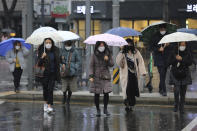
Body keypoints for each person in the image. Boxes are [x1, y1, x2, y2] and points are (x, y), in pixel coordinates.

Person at [116, 38, 146, 112]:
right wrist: (121, 51)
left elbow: (141, 61)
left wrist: (143, 71)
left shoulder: (136, 52)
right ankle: (127, 104)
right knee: (127, 89)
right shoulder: (122, 52)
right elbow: (118, 62)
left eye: (130, 44)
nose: (129, 45)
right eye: (127, 44)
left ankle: (131, 104)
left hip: (134, 74)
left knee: (133, 90)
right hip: (126, 75)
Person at [89, 41, 114, 117]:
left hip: (105, 76)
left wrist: (107, 59)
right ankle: (98, 110)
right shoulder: (94, 55)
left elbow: (112, 64)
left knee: (106, 93)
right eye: (100, 44)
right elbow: (91, 66)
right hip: (96, 76)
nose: (101, 46)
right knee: (97, 94)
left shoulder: (108, 54)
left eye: (103, 44)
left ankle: (105, 109)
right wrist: (91, 76)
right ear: (97, 45)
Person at [167, 42, 192, 113]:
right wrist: (176, 59)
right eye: (181, 45)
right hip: (175, 74)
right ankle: (176, 105)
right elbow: (168, 62)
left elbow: (190, 62)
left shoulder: (188, 52)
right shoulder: (173, 52)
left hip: (185, 74)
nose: (182, 46)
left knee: (183, 92)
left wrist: (182, 59)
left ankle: (182, 107)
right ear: (178, 45)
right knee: (177, 91)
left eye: (184, 45)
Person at [37, 38, 60, 113]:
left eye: (49, 42)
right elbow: (38, 64)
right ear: (44, 43)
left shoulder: (55, 51)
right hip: (44, 74)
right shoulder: (42, 51)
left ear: (52, 43)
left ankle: (49, 105)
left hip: (52, 73)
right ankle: (45, 103)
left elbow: (57, 61)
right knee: (45, 89)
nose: (48, 44)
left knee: (50, 89)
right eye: (46, 42)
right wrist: (42, 57)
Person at [150, 24, 172, 96]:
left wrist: (169, 45)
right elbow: (151, 47)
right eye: (161, 29)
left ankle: (160, 88)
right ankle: (164, 90)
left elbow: (173, 47)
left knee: (163, 75)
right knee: (162, 74)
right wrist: (158, 49)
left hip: (166, 58)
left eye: (163, 29)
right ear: (159, 29)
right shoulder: (155, 36)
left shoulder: (169, 36)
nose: (162, 31)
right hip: (158, 58)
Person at [60, 40, 80, 106]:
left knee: (71, 87)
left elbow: (78, 61)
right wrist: (61, 66)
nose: (67, 46)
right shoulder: (62, 51)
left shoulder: (75, 51)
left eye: (69, 45)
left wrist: (75, 67)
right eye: (66, 44)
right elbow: (59, 60)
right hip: (64, 71)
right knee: (64, 86)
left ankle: (68, 99)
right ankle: (64, 97)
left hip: (72, 72)